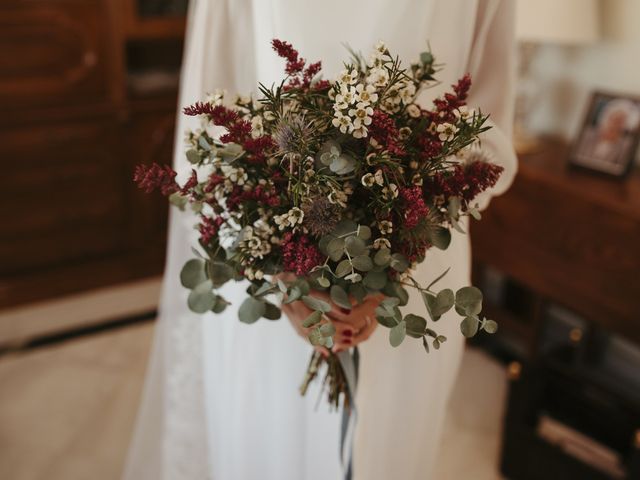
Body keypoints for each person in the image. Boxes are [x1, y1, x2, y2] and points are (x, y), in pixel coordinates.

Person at [123, 1, 517, 479]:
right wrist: (286, 278)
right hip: (271, 267)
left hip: (420, 260)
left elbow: (490, 126)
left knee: (387, 452)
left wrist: (392, 260)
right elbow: (205, 126)